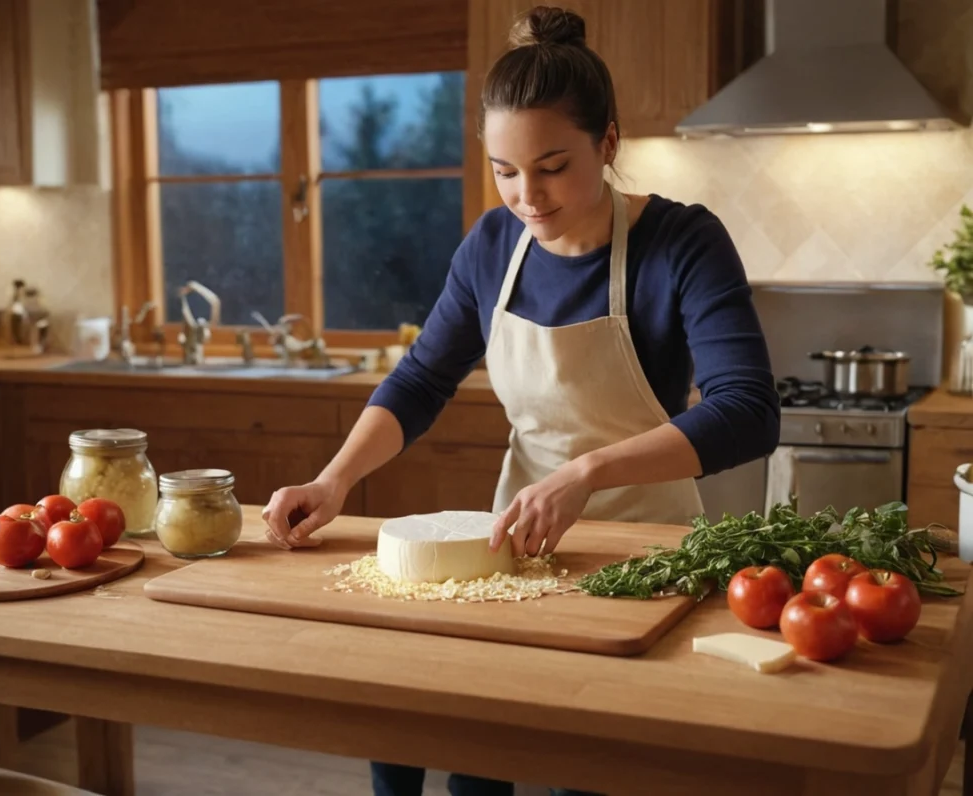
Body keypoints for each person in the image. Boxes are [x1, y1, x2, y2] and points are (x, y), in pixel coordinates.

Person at [262, 5, 780, 795]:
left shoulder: (680, 242)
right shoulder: (490, 248)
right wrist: (334, 480)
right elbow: (421, 380)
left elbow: (747, 409)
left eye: (552, 165)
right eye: (505, 170)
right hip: (513, 553)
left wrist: (584, 474)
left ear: (607, 144)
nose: (527, 196)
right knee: (479, 758)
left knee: (589, 771)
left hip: (644, 554)